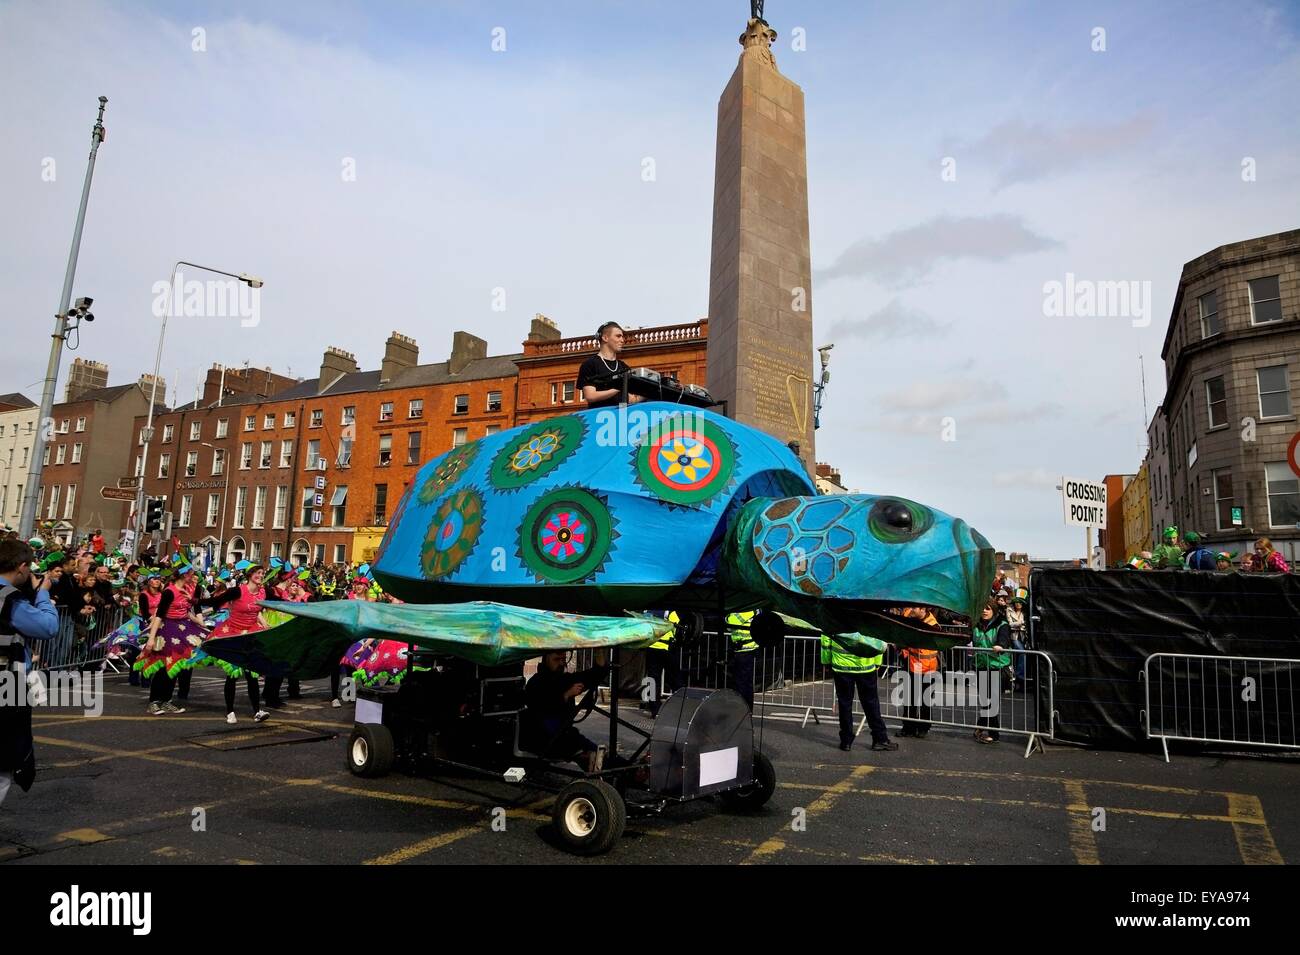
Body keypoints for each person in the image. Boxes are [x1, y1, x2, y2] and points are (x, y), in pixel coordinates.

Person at [0, 539, 59, 806]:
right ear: (22, 567)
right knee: (5, 762)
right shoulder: (9, 598)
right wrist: (43, 593)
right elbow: (47, 627)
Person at [195, 566, 271, 724]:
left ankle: (257, 711)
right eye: (257, 573)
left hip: (251, 634)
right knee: (233, 674)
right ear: (250, 575)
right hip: (233, 634)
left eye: (262, 574)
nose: (260, 576)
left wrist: (266, 625)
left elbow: (265, 609)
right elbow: (215, 601)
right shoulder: (237, 591)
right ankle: (230, 711)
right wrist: (195, 601)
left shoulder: (263, 592)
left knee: (252, 675)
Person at [133, 566, 207, 715]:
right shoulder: (169, 591)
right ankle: (154, 702)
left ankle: (167, 700)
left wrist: (201, 625)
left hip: (183, 628)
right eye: (190, 573)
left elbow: (186, 612)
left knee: (177, 666)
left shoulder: (187, 590)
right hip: (168, 628)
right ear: (182, 575)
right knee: (163, 666)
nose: (193, 576)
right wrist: (151, 639)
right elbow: (159, 615)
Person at [523, 649, 607, 771]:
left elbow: (594, 675)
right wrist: (565, 696)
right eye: (557, 659)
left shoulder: (564, 679)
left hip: (565, 735)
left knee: (598, 752)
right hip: (544, 738)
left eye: (563, 659)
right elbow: (540, 708)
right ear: (546, 659)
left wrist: (600, 650)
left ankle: (630, 771)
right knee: (589, 754)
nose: (561, 663)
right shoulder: (535, 683)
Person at [820, 632, 896, 752]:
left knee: (844, 704)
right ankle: (880, 739)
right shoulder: (868, 616)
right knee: (871, 704)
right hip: (865, 667)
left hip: (841, 666)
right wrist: (877, 663)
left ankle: (846, 741)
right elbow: (878, 641)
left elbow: (826, 639)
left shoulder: (835, 615)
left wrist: (826, 661)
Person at [971, 599, 1012, 743]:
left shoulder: (1002, 625)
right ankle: (981, 727)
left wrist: (1000, 645)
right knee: (985, 700)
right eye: (982, 608)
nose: (984, 611)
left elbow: (1004, 639)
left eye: (987, 608)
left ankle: (993, 734)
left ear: (993, 610)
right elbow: (969, 639)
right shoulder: (976, 625)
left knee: (992, 701)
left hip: (997, 667)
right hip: (981, 665)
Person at [897, 608, 938, 738]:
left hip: (927, 668)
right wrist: (902, 650)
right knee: (910, 699)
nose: (911, 610)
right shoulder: (910, 617)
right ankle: (908, 727)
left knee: (925, 700)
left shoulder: (932, 624)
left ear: (923, 609)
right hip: (912, 664)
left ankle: (923, 728)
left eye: (914, 608)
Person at [576, 321, 632, 409]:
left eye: (622, 336)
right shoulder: (590, 364)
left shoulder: (624, 367)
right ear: (605, 338)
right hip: (599, 418)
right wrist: (619, 388)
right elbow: (590, 396)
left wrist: (650, 392)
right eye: (618, 336)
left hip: (622, 418)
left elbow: (631, 399)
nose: (622, 340)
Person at [643, 610, 684, 717]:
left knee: (652, 680)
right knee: (675, 679)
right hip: (666, 649)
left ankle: (654, 710)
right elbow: (677, 629)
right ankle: (680, 707)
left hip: (651, 648)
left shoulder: (648, 611)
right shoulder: (670, 612)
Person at [725, 610, 758, 710]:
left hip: (744, 651)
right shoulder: (753, 611)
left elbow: (730, 622)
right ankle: (747, 709)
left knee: (741, 683)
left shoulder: (743, 612)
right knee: (745, 682)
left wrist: (728, 615)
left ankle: (743, 709)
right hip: (747, 650)